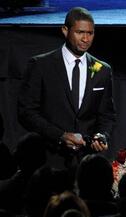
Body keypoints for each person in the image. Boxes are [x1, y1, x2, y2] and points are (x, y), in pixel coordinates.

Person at [18, 7, 116, 168]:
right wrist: (60, 136)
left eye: (90, 33)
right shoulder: (41, 65)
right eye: (80, 32)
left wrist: (101, 135)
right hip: (49, 160)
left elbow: (107, 115)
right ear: (65, 30)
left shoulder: (103, 70)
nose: (86, 39)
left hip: (86, 163)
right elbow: (26, 112)